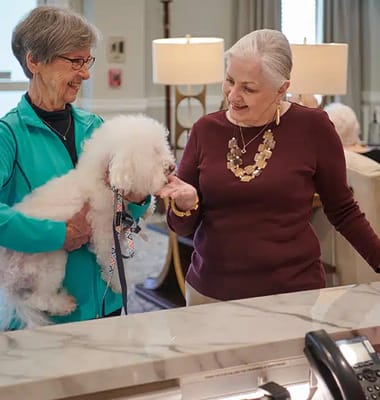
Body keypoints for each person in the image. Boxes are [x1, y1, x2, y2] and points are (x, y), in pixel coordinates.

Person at [157, 29, 380, 306]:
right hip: (211, 293)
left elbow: (344, 211)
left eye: (248, 88)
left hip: (293, 294)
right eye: (229, 81)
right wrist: (185, 204)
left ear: (282, 89)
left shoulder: (313, 127)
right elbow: (182, 226)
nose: (233, 95)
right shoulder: (205, 130)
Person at [0, 6, 150, 329]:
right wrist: (58, 235)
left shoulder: (96, 126)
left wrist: (137, 199)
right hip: (45, 315)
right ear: (34, 61)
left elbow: (121, 217)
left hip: (105, 305)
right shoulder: (7, 134)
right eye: (75, 61)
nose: (85, 74)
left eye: (87, 61)